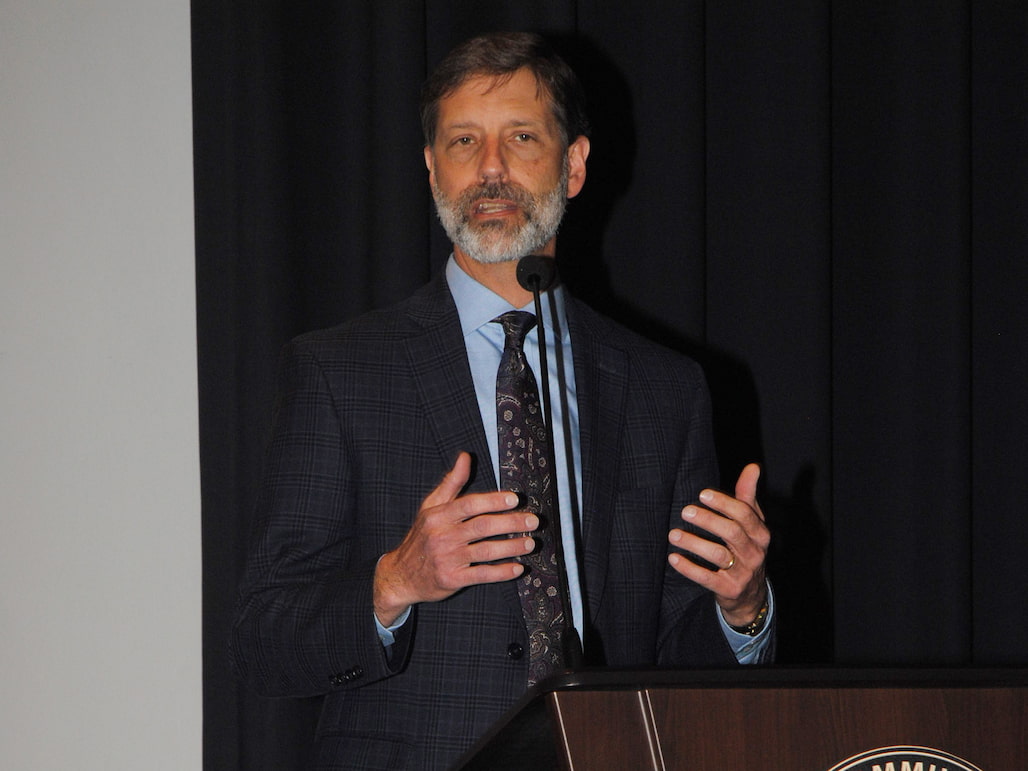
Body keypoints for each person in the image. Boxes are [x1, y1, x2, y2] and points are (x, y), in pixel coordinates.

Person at [231, 31, 774, 770]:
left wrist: (743, 610)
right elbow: (265, 639)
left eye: (520, 137)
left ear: (574, 164)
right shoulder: (338, 371)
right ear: (431, 171)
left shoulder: (663, 388)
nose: (491, 168)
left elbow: (681, 660)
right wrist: (395, 580)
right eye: (463, 141)